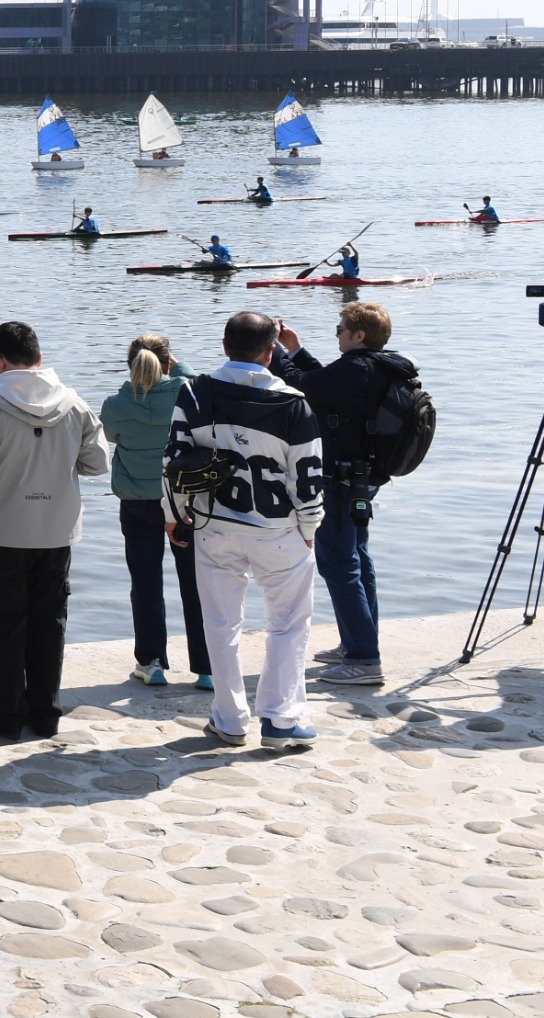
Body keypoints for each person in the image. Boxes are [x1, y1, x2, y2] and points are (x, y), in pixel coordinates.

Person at [167, 312, 324, 751]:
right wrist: (310, 526)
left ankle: (229, 718)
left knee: (220, 624)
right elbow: (308, 476)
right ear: (271, 351)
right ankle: (280, 718)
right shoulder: (294, 403)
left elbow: (174, 459)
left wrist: (174, 513)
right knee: (289, 624)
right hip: (278, 528)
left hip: (215, 523)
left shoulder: (194, 393)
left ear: (224, 345)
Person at [0, 321, 110, 740]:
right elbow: (97, 464)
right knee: (49, 621)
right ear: (39, 355)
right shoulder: (74, 404)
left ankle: (5, 715)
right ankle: (46, 713)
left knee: (1, 624)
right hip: (56, 531)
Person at [272, 302, 415, 688]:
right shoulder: (379, 366)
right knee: (358, 559)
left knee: (339, 564)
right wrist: (297, 350)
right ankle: (357, 642)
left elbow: (302, 385)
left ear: (359, 335)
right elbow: (324, 382)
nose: (337, 334)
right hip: (364, 479)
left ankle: (364, 658)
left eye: (340, 329)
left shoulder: (355, 369)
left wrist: (278, 353)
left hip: (340, 480)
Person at [99, 335, 211, 690]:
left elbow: (112, 436)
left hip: (138, 501)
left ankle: (152, 662)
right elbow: (192, 381)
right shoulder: (188, 395)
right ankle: (207, 668)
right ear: (167, 362)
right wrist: (176, 364)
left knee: (145, 583)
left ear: (131, 366)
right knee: (196, 583)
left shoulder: (116, 404)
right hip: (184, 501)